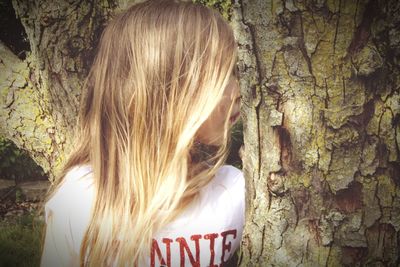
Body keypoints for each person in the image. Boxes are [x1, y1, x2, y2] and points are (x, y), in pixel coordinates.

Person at [40, 0, 244, 266]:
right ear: (167, 93)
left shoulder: (233, 190)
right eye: (222, 74)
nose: (238, 90)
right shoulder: (79, 197)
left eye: (235, 72)